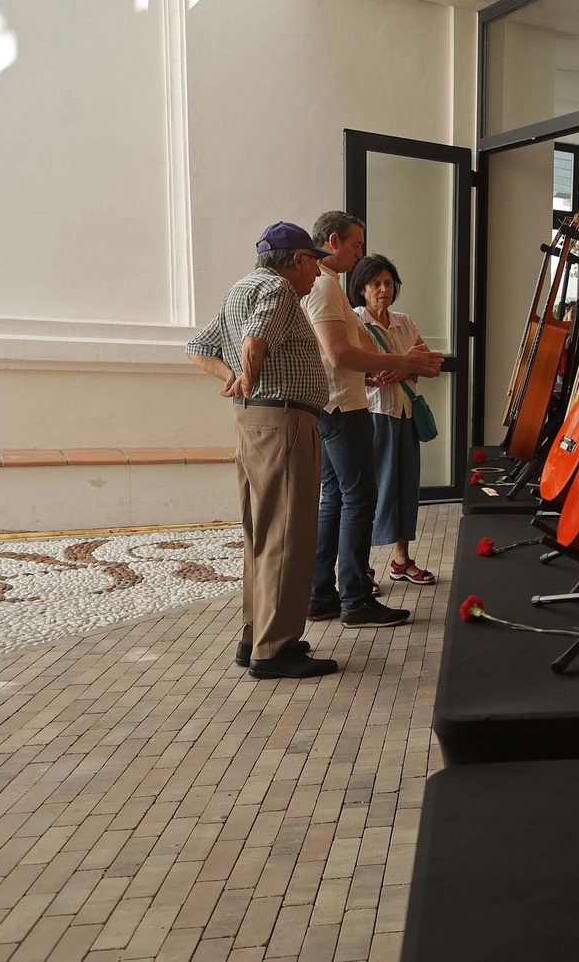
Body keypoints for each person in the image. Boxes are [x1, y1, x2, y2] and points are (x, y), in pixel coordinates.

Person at [185, 221, 339, 680]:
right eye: (313, 261)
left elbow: (198, 347)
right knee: (288, 534)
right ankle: (275, 649)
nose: (316, 273)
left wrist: (233, 381)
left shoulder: (241, 288)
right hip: (284, 422)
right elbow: (256, 339)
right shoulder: (278, 291)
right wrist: (246, 375)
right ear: (295, 261)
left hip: (253, 420)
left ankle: (256, 634)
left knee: (261, 532)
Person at [301, 212, 443, 628]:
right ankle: (356, 598)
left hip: (334, 404)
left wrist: (392, 365)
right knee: (359, 499)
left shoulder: (323, 286)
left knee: (337, 499)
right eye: (356, 246)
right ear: (333, 242)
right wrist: (399, 362)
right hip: (345, 406)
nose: (359, 253)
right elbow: (339, 354)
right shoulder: (325, 285)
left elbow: (366, 350)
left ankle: (321, 594)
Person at [350, 254, 436, 586]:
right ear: (362, 289)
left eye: (388, 283)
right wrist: (409, 363)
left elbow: (431, 363)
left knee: (405, 486)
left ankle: (401, 560)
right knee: (374, 490)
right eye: (376, 284)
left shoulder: (404, 321)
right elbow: (360, 368)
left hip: (405, 414)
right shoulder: (354, 323)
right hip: (373, 415)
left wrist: (405, 367)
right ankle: (364, 564)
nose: (383, 290)